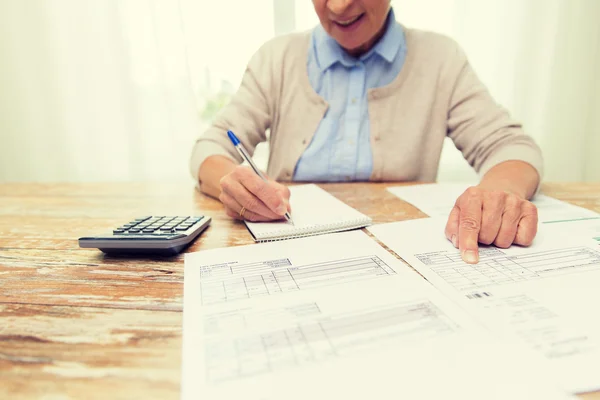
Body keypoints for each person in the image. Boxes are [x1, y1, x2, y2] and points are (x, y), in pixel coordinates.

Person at [189, 0, 542, 264]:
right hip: (285, 250)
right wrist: (234, 184)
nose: (339, 6)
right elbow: (211, 147)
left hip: (403, 259)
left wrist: (498, 193)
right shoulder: (276, 58)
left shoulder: (441, 59)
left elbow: (511, 147)